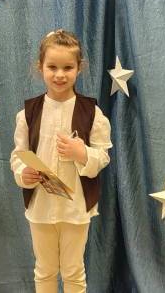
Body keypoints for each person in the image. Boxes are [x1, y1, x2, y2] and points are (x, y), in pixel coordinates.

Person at [10, 29, 112, 293]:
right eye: (52, 67)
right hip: (40, 206)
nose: (59, 75)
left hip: (76, 207)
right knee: (44, 270)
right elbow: (18, 154)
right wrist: (23, 173)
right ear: (40, 67)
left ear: (79, 68)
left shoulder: (92, 112)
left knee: (73, 271)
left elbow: (102, 155)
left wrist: (82, 153)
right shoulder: (27, 113)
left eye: (68, 67)